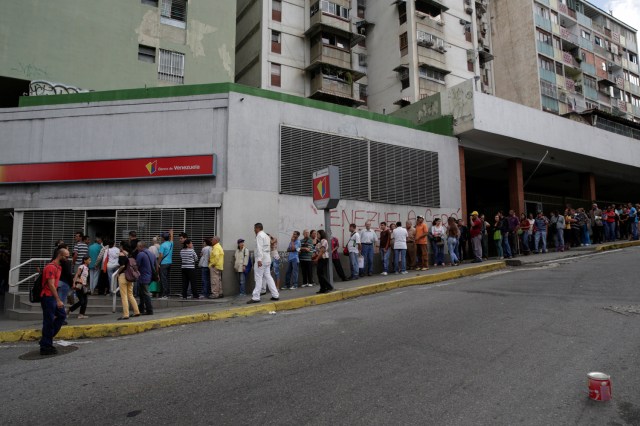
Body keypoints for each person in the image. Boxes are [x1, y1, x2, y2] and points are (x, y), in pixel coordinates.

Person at [39, 247, 69, 355]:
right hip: (48, 297)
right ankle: (46, 346)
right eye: (66, 256)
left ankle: (46, 339)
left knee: (61, 315)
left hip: (52, 297)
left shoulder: (58, 267)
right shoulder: (51, 267)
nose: (67, 258)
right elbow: (51, 285)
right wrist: (58, 300)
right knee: (48, 321)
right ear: (60, 255)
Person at [247, 223, 279, 304]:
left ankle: (256, 297)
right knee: (268, 276)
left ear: (257, 228)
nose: (254, 230)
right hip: (267, 258)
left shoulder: (259, 235)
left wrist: (259, 260)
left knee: (258, 277)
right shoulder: (266, 235)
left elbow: (259, 248)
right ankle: (275, 295)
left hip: (261, 258)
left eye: (254, 228)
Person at [115, 241, 140, 320]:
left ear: (122, 246)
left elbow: (122, 266)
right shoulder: (130, 254)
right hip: (130, 276)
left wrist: (117, 273)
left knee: (124, 296)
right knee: (130, 295)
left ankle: (126, 314)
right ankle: (136, 311)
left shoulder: (121, 254)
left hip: (123, 276)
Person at [135, 241, 156, 315]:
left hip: (143, 277)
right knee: (142, 293)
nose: (137, 248)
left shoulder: (140, 254)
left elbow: (136, 265)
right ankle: (141, 308)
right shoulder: (152, 254)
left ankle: (149, 310)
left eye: (137, 247)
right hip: (150, 276)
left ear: (141, 247)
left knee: (146, 293)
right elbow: (155, 265)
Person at [313, 230, 334, 294]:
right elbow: (315, 249)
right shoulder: (319, 242)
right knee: (319, 274)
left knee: (320, 274)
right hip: (320, 258)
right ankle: (322, 288)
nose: (317, 235)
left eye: (318, 234)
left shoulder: (324, 241)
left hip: (323, 258)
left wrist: (317, 258)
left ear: (321, 234)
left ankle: (329, 286)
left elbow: (322, 251)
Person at [158, 230, 174, 299]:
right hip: (169, 263)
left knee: (163, 279)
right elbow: (172, 239)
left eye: (161, 237)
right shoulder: (170, 244)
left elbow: (161, 256)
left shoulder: (162, 245)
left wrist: (158, 263)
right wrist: (171, 234)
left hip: (164, 263)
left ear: (163, 238)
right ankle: (167, 293)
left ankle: (165, 294)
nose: (161, 238)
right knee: (166, 278)